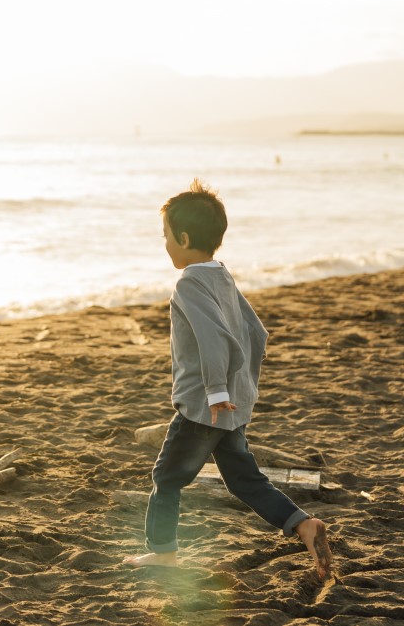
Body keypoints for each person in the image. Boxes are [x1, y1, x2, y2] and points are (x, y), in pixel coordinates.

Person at [124, 179, 333, 580]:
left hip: (206, 406)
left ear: (183, 238)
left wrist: (218, 390)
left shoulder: (189, 284)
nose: (164, 243)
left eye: (165, 236)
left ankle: (162, 553)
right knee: (244, 480)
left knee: (165, 478)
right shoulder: (220, 274)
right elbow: (254, 331)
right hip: (231, 403)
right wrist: (242, 385)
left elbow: (213, 338)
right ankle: (303, 524)